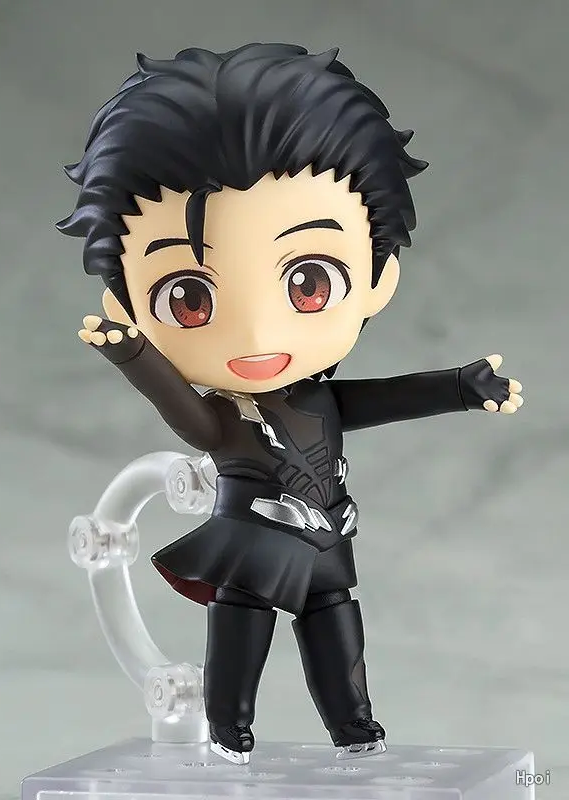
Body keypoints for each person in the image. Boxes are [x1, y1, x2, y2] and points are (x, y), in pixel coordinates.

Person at [58, 43, 523, 764]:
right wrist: (134, 354)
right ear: (126, 302)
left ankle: (356, 728)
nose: (255, 334)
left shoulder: (320, 399)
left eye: (307, 283)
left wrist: (461, 386)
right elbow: (187, 415)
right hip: (253, 545)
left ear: (378, 277)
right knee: (241, 634)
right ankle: (229, 730)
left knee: (338, 631)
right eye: (190, 298)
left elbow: (384, 398)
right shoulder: (227, 418)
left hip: (329, 540)